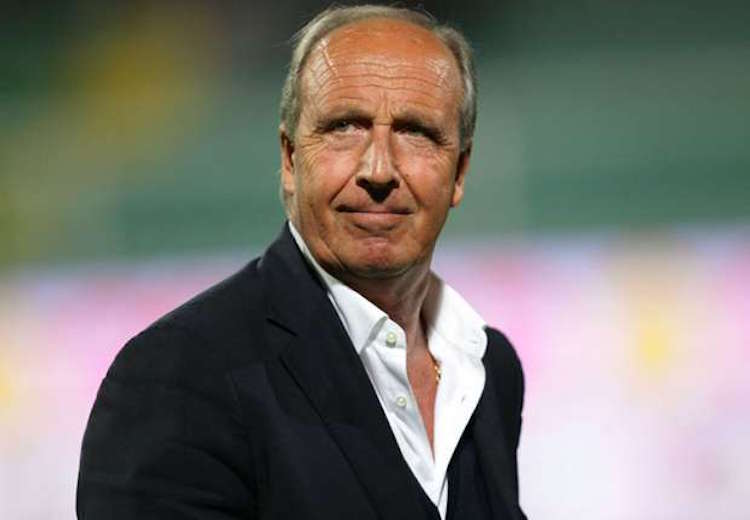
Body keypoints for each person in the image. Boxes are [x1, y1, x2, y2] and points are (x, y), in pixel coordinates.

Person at [77, 5, 526, 519]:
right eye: (344, 127)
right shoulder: (176, 377)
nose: (379, 169)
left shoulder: (490, 370)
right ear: (290, 159)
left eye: (416, 132)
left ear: (460, 172)